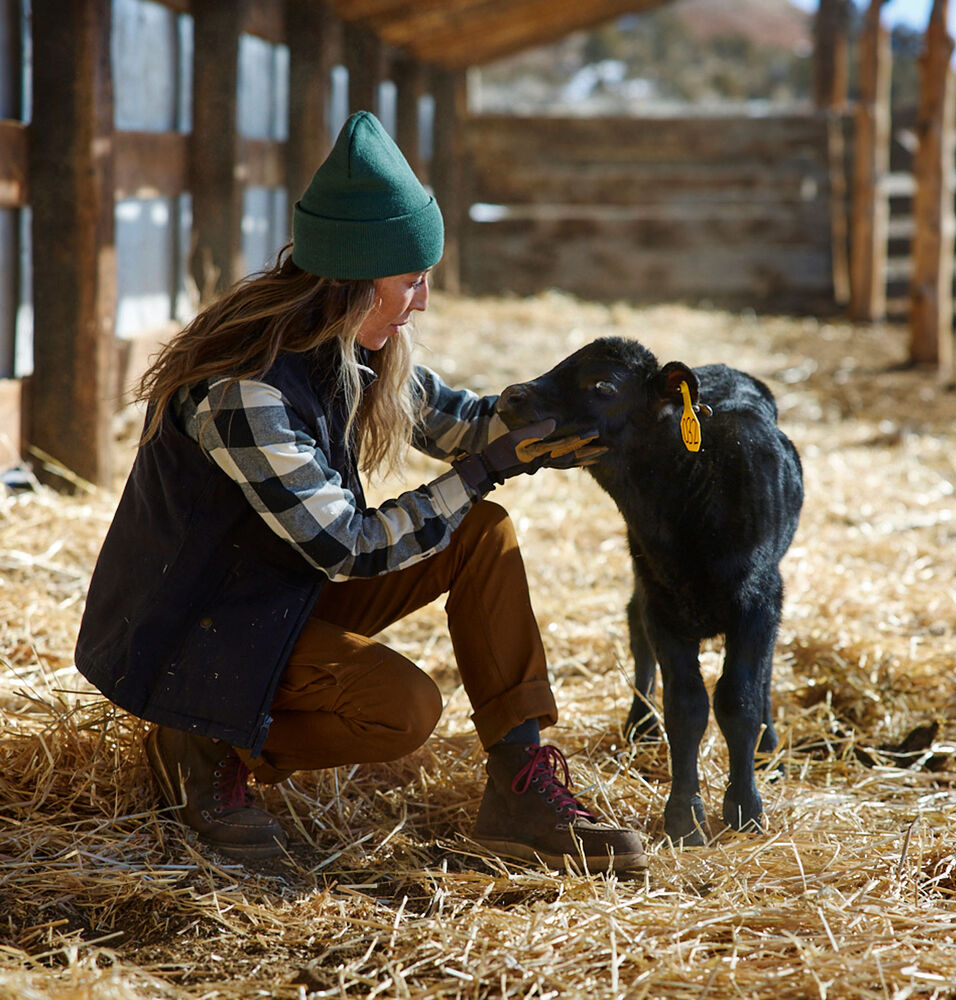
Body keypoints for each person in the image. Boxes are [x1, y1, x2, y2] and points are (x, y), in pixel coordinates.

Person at [74, 111, 646, 873]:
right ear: (352, 279)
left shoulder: (350, 339)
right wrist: (482, 470)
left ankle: (519, 786)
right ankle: (200, 745)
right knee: (402, 710)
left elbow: (460, 422)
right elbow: (346, 547)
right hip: (197, 629)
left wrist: (580, 417)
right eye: (411, 280)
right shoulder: (245, 390)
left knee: (483, 531)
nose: (422, 301)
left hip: (276, 594)